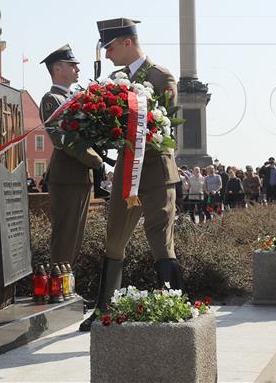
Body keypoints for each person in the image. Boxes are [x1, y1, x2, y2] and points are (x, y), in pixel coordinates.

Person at [80, 18, 183, 331]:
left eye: (110, 47)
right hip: (127, 174)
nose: (107, 54)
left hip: (155, 173)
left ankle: (174, 305)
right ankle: (104, 309)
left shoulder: (160, 76)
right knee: (114, 241)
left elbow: (167, 126)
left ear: (127, 42)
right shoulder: (115, 80)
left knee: (161, 241)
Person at [39, 45, 104, 272]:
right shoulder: (52, 100)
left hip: (80, 177)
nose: (77, 69)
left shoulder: (74, 98)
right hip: (66, 177)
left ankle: (67, 284)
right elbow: (62, 139)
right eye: (71, 65)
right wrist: (95, 160)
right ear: (57, 69)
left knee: (75, 237)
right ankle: (59, 284)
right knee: (65, 236)